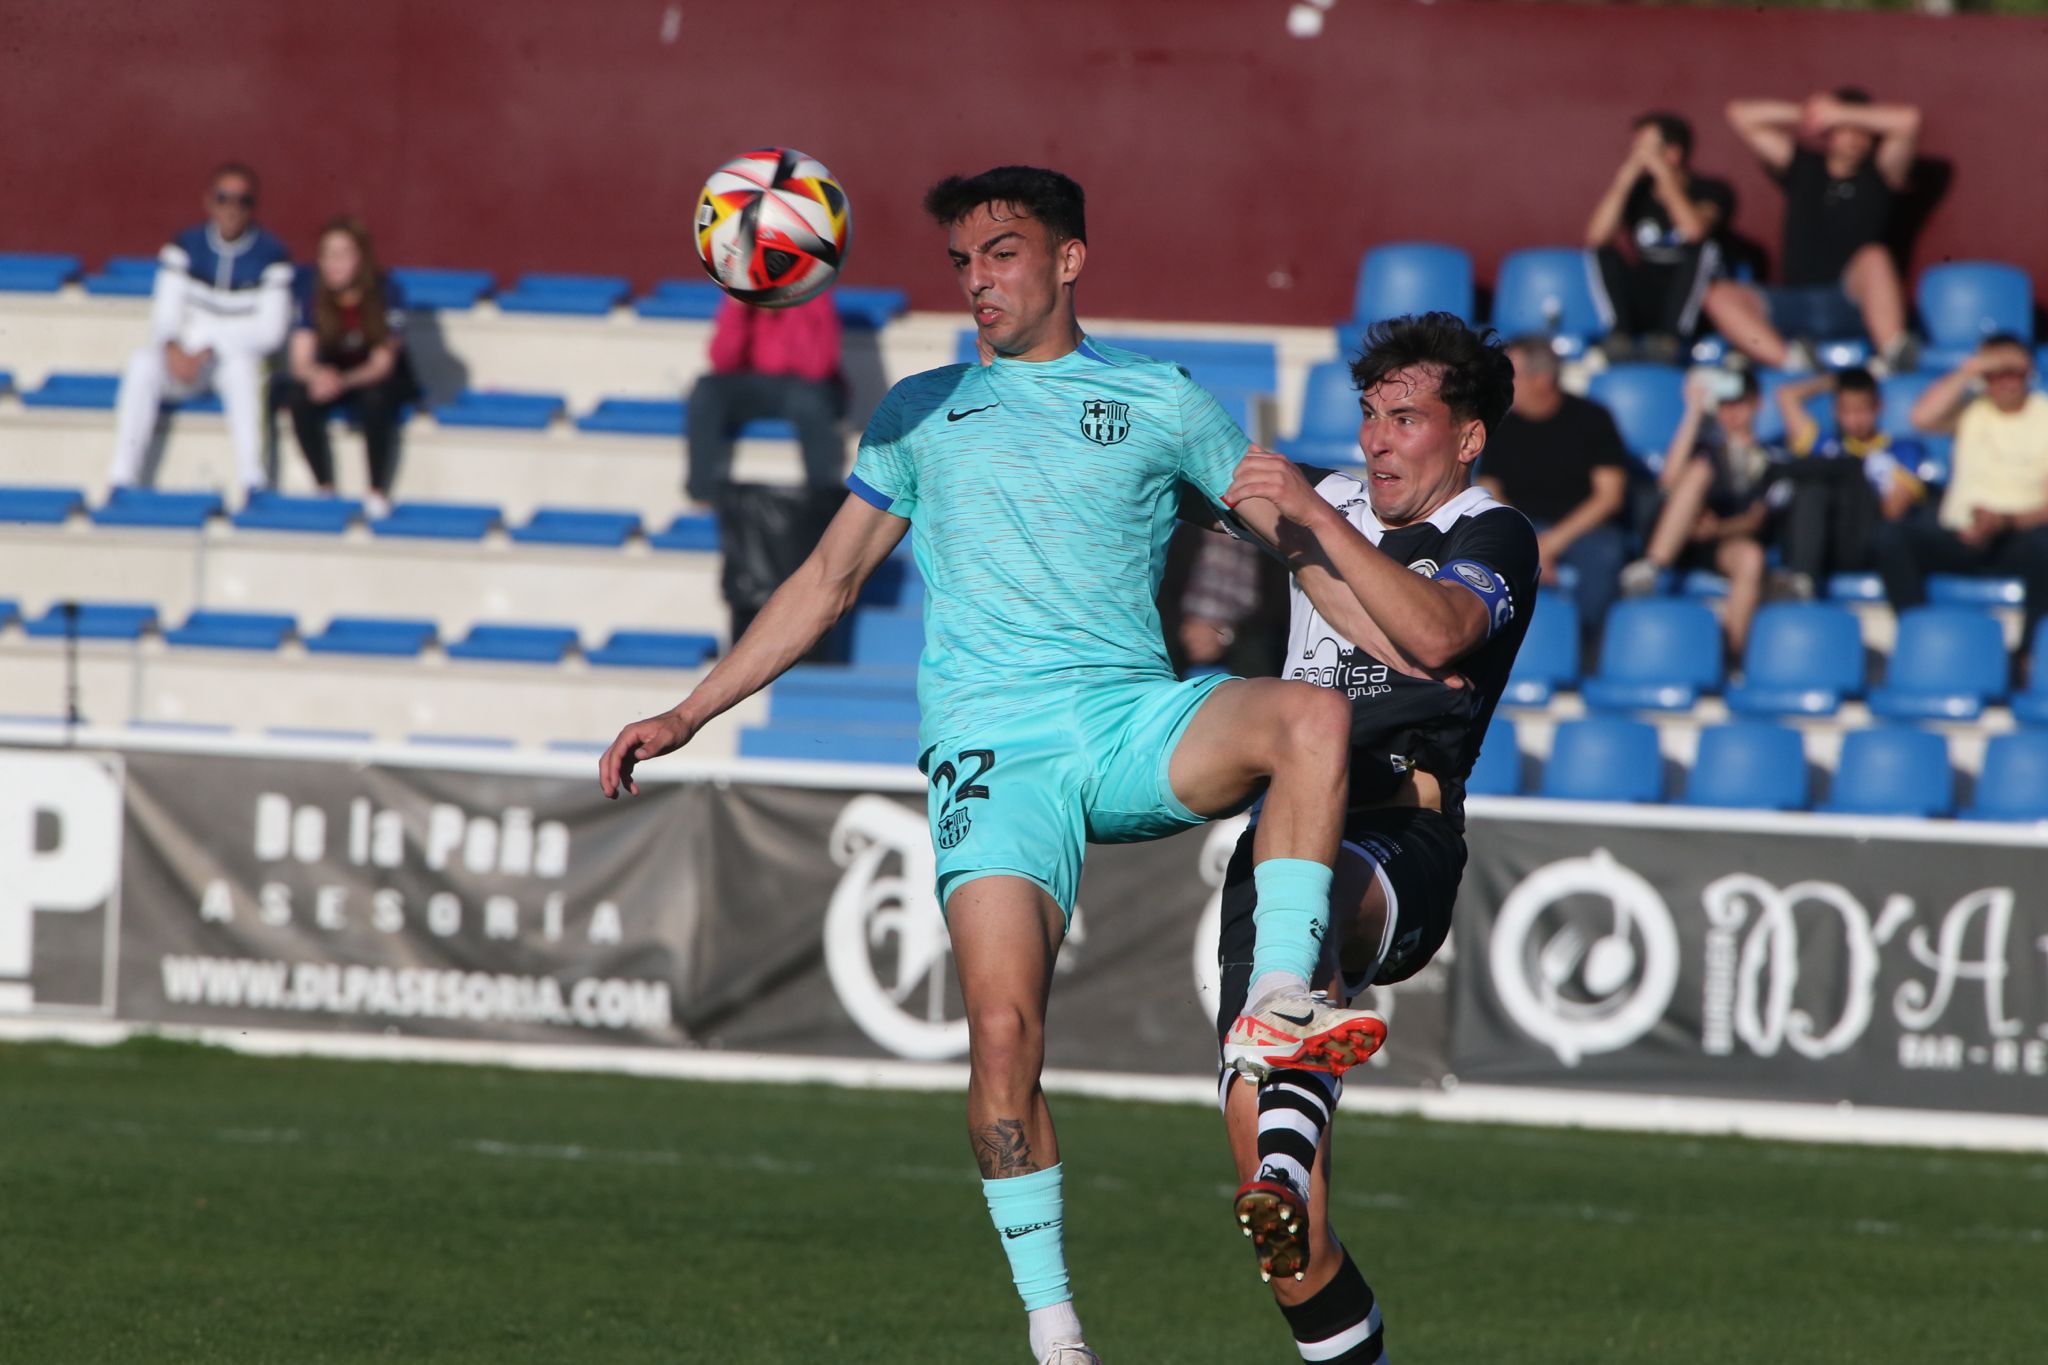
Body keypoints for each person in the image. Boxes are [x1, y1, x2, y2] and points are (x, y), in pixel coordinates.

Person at [597, 166, 1385, 1365]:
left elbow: (1287, 533)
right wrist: (688, 712)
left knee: (1311, 720)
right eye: (963, 261)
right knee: (1003, 1038)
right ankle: (1054, 1328)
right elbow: (823, 584)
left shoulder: (1160, 397)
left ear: (1069, 260)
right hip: (990, 754)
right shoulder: (916, 412)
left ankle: (1274, 1010)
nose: (977, 281)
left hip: (1126, 724)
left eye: (1003, 253)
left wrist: (1401, 630)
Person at [1200, 314, 1531, 1364]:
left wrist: (1304, 516)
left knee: (1323, 907)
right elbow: (1174, 451)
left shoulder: (1492, 533)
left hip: (1400, 834)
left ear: (1466, 437)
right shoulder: (1324, 497)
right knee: (1282, 1238)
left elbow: (1436, 633)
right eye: (1367, 416)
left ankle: (1292, 1051)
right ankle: (1288, 1162)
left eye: (1404, 418)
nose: (1376, 440)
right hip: (1274, 845)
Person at [1703, 88, 1922, 372]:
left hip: (1850, 304)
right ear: (1829, 131)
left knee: (1874, 256)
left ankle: (1892, 356)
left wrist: (1841, 112)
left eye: (1863, 130)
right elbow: (1740, 114)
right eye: (1845, 129)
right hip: (1793, 303)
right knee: (1719, 295)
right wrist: (1808, 113)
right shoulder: (1804, 167)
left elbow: (1910, 121)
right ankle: (1790, 362)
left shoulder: (1880, 175)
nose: (1855, 138)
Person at [108, 162, 292, 496]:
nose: (232, 208)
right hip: (184, 359)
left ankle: (254, 483)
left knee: (246, 371)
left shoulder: (272, 255)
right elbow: (166, 312)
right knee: (142, 365)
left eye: (243, 200)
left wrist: (209, 345)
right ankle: (122, 480)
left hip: (229, 360)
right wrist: (173, 348)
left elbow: (271, 331)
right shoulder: (185, 246)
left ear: (254, 206)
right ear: (209, 201)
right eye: (224, 198)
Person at [1875, 335, 2048, 653]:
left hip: (2017, 535)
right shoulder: (1970, 409)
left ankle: (2029, 654)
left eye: (2013, 371)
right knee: (1891, 538)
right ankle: (1920, 636)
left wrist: (2004, 521)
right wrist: (1973, 369)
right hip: (1959, 533)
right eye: (1996, 372)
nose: (2005, 381)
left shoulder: (2044, 416)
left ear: (2028, 371)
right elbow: (1921, 417)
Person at [1475, 338, 1628, 644]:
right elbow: (1489, 488)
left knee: (1606, 554)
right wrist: (1530, 541)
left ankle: (1585, 649)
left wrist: (1552, 543)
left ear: (1542, 379)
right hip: (1522, 527)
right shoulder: (1500, 424)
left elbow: (1609, 496)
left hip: (1583, 532)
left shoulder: (1593, 419)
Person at [1618, 369, 1776, 657]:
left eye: (1740, 403)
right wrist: (1693, 410)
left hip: (1724, 543)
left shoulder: (1770, 457)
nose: (1732, 413)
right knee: (1698, 471)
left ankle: (1732, 655)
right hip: (1681, 539)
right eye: (1725, 404)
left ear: (1756, 404)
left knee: (1751, 558)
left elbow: (1758, 518)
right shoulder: (1707, 451)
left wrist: (1716, 529)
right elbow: (1668, 481)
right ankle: (1653, 566)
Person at [285, 216, 415, 518]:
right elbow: (299, 360)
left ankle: (376, 491)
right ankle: (324, 486)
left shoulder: (387, 293)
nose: (334, 264)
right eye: (327, 254)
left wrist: (342, 381)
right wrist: (318, 375)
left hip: (375, 378)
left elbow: (382, 364)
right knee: (298, 397)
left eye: (343, 254)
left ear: (361, 258)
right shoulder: (311, 291)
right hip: (334, 373)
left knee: (376, 400)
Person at [1768, 366, 1928, 595]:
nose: (1854, 420)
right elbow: (1786, 396)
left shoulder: (1901, 451)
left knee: (1848, 471)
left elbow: (1893, 512)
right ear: (1835, 410)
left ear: (1878, 407)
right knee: (1812, 485)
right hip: (1821, 542)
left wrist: (1866, 475)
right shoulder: (1824, 444)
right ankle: (1802, 580)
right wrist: (1833, 381)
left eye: (1862, 410)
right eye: (1846, 410)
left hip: (1863, 541)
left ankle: (1802, 578)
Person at [1585, 112, 1732, 359]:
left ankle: (1671, 340)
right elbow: (1596, 237)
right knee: (1602, 252)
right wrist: (1624, 181)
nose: (1637, 155)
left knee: (1704, 249)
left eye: (1644, 148)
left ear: (1673, 152)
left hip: (1689, 300)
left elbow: (1693, 231)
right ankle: (1619, 336)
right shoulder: (1638, 194)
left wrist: (1665, 177)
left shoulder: (1710, 191)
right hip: (1646, 290)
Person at [684, 292, 846, 506]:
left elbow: (818, 367)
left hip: (809, 388)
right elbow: (721, 361)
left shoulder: (815, 292)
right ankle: (702, 493)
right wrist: (739, 309)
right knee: (706, 390)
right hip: (756, 384)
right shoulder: (741, 291)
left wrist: (789, 305)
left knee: (811, 401)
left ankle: (821, 502)